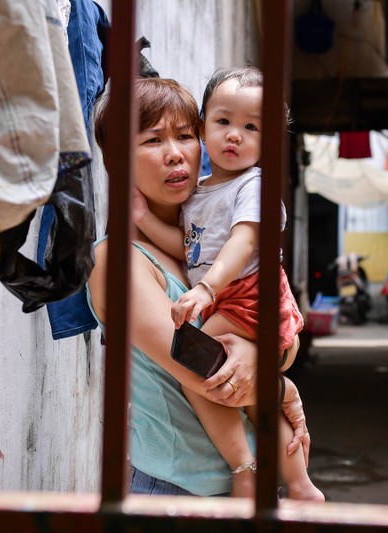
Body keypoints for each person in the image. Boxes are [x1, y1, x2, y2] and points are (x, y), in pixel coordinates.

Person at [87, 76, 313, 497]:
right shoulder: (119, 261)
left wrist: (263, 355)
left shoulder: (209, 245)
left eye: (185, 136)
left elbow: (283, 334)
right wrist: (283, 388)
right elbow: (202, 367)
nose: (176, 155)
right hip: (179, 490)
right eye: (153, 141)